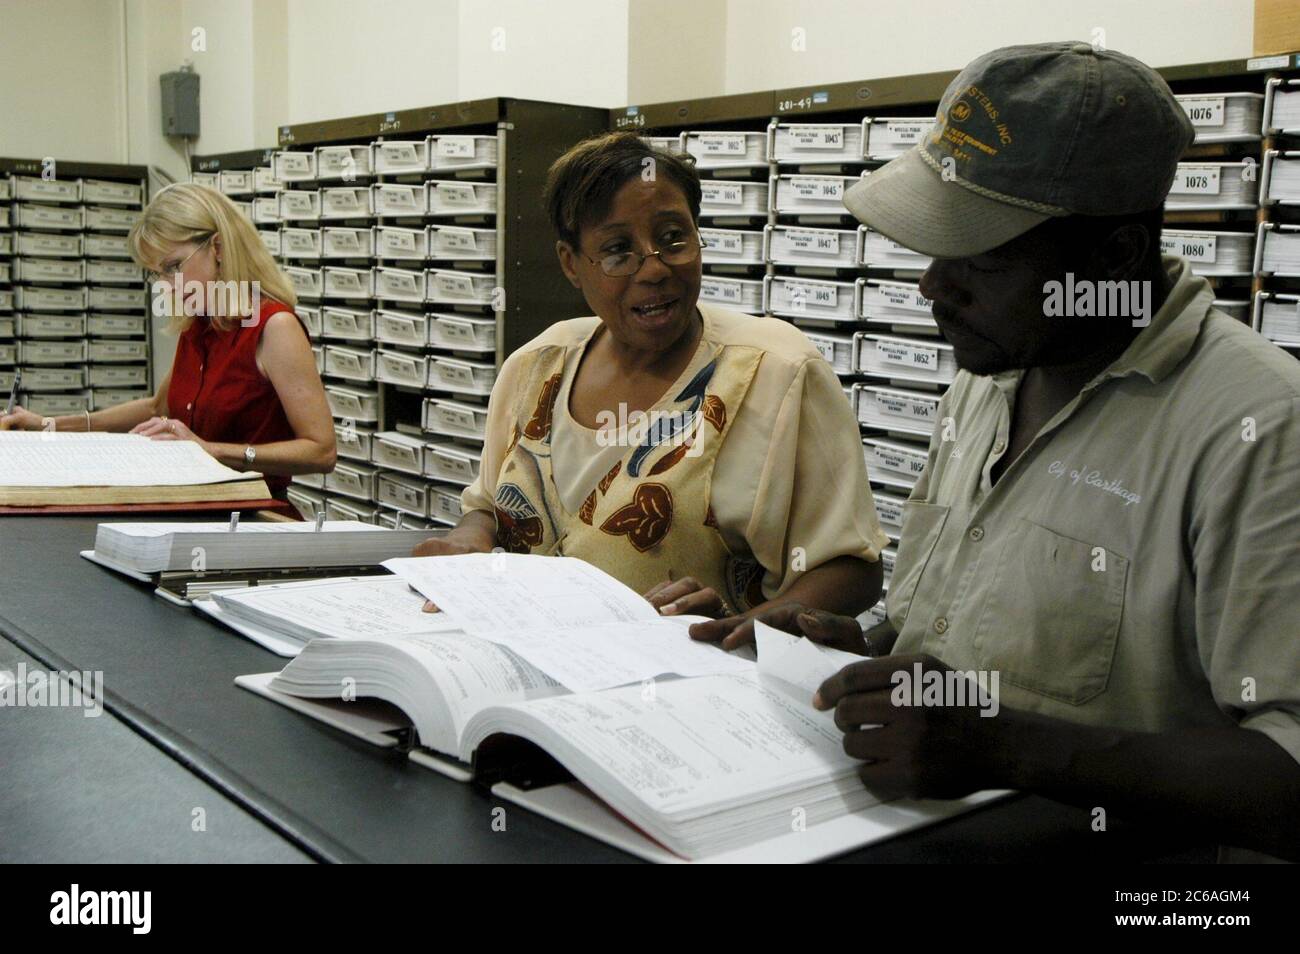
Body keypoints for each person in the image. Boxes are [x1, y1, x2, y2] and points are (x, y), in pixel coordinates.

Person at [746, 41, 1300, 859]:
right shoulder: (993, 368)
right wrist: (858, 652)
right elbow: (956, 636)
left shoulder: (1257, 429)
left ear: (1114, 258)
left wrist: (1012, 748)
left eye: (984, 258)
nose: (933, 285)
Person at [413, 132, 888, 633]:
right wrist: (470, 537)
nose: (655, 268)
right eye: (618, 250)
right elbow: (487, 506)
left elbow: (853, 569)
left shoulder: (776, 371)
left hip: (694, 693)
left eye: (672, 238)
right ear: (571, 263)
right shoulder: (537, 365)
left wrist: (741, 627)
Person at [0, 182, 335, 497]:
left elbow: (321, 451)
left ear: (217, 247)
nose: (166, 286)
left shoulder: (274, 327)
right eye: (158, 273)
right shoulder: (200, 325)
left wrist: (209, 450)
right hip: (197, 509)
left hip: (256, 517)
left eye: (174, 267)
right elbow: (156, 407)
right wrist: (48, 426)